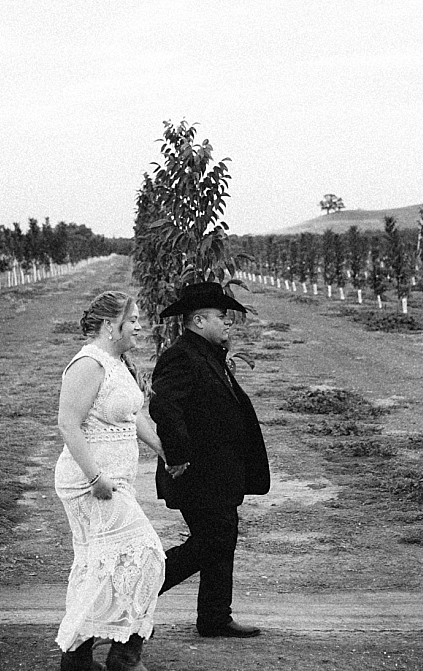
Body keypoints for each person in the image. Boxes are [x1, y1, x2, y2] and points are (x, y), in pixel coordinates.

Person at [150, 281, 271, 638]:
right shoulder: (182, 356)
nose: (228, 322)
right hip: (196, 473)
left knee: (222, 537)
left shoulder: (207, 355)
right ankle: (135, 591)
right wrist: (178, 455)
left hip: (218, 474)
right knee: (213, 540)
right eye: (222, 316)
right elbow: (163, 406)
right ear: (199, 321)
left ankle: (215, 616)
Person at [54, 291, 166, 671]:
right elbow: (68, 424)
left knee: (101, 566)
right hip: (90, 483)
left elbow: (133, 416)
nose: (139, 327)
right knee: (147, 554)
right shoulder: (88, 364)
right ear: (109, 325)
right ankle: (123, 656)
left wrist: (164, 451)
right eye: (132, 320)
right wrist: (96, 476)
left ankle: (83, 658)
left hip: (116, 482)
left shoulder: (118, 363)